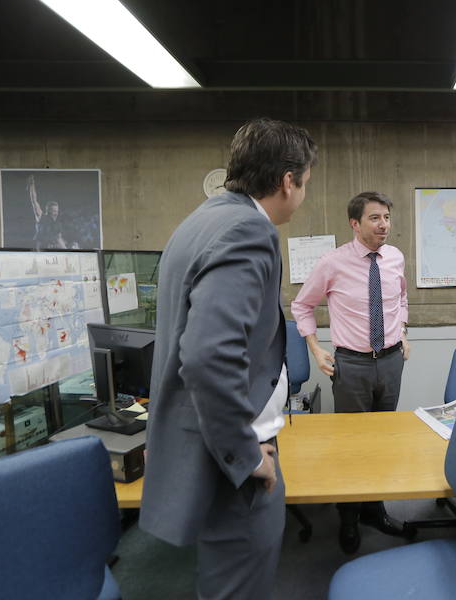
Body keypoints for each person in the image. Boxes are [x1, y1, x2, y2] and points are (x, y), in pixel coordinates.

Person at [139, 118, 317, 599]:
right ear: (288, 181)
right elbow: (207, 356)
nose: (303, 194)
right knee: (239, 585)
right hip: (233, 457)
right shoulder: (248, 231)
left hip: (203, 441)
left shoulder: (202, 220)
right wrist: (246, 454)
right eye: (305, 182)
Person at [291, 191, 410, 554]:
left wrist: (403, 331)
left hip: (390, 362)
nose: (384, 225)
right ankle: (348, 517)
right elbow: (302, 305)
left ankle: (375, 510)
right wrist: (315, 349)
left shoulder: (395, 258)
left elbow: (401, 298)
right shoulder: (332, 263)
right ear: (355, 224)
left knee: (381, 442)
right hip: (352, 365)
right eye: (375, 218)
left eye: (386, 217)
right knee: (351, 447)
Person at [28, 174, 67, 249]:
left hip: (50, 250)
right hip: (39, 249)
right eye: (54, 211)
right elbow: (34, 201)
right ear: (48, 211)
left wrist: (66, 250)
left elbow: (59, 239)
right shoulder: (41, 217)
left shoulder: (58, 224)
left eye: (57, 211)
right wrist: (31, 186)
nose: (56, 213)